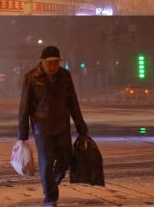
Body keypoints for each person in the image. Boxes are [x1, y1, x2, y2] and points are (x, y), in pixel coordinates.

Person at [18, 46, 89, 207]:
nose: (53, 66)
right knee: (47, 162)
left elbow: (73, 103)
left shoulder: (65, 76)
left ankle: (51, 186)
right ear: (42, 62)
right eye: (49, 63)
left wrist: (81, 126)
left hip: (62, 127)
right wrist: (22, 136)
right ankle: (50, 198)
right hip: (42, 129)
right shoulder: (31, 77)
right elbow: (24, 107)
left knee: (65, 160)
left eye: (56, 63)